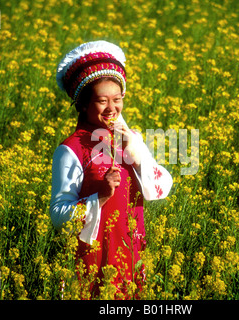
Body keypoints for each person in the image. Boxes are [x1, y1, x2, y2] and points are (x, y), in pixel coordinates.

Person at [50, 40, 173, 299]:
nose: (112, 108)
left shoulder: (130, 139)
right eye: (102, 101)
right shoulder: (71, 149)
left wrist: (137, 153)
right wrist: (101, 196)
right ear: (82, 105)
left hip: (131, 253)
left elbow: (161, 187)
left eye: (117, 100)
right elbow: (58, 215)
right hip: (92, 259)